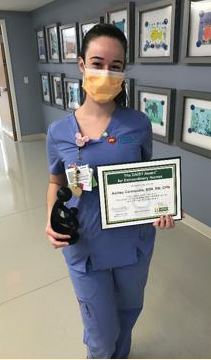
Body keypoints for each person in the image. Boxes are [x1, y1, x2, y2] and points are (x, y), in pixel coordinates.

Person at [46, 23, 175, 359]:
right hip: (85, 246)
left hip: (134, 244)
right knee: (101, 335)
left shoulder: (138, 124)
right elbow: (56, 183)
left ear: (123, 71)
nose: (105, 73)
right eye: (97, 63)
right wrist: (50, 219)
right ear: (81, 65)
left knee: (127, 316)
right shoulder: (59, 132)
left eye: (115, 66)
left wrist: (162, 206)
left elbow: (147, 178)